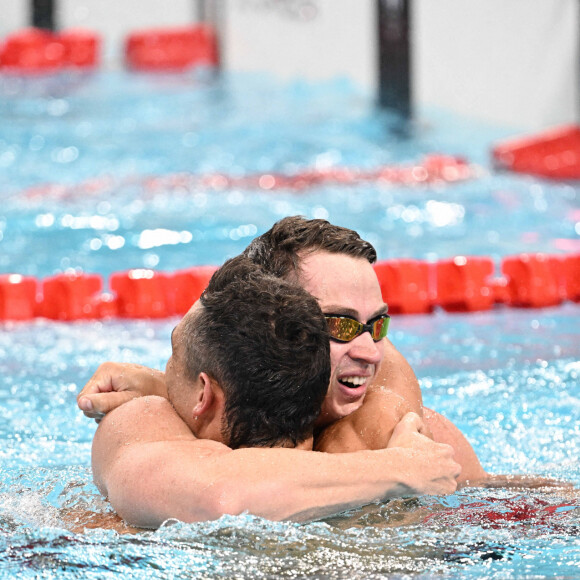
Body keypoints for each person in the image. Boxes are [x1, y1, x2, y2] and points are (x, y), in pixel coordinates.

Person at [78, 217, 485, 483]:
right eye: (340, 324)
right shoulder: (178, 420)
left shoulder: (381, 420)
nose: (372, 353)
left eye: (377, 325)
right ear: (274, 317)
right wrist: (162, 382)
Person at [91, 255, 460, 528]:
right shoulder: (409, 452)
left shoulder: (142, 421)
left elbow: (220, 497)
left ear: (204, 393)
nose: (368, 351)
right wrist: (404, 467)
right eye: (340, 325)